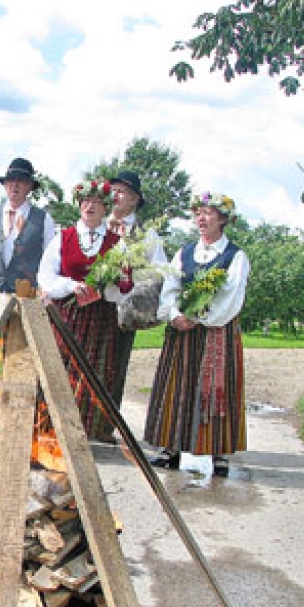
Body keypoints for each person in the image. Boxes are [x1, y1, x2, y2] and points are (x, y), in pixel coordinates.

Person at [144, 192, 250, 477]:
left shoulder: (235, 256)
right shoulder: (185, 252)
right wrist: (175, 313)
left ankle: (218, 452)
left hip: (216, 332)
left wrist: (198, 317)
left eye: (208, 213)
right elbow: (171, 286)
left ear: (223, 219)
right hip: (183, 333)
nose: (201, 219)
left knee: (216, 388)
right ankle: (171, 447)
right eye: (198, 213)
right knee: (178, 385)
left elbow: (231, 297)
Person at [37, 179, 127, 442]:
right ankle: (49, 427)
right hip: (67, 315)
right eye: (86, 201)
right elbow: (45, 276)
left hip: (99, 318)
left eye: (97, 202)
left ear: (105, 208)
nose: (90, 206)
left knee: (92, 373)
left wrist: (103, 288)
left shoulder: (116, 243)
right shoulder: (62, 238)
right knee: (60, 369)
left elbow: (122, 285)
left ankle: (81, 434)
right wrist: (70, 285)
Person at [0, 157, 56, 376]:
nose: (15, 185)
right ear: (5, 185)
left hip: (24, 296)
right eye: (11, 181)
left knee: (19, 358)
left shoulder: (43, 220)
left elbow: (49, 262)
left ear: (29, 188)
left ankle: (12, 408)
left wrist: (45, 292)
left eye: (21, 181)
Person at [103, 170, 169, 437]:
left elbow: (161, 270)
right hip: (91, 305)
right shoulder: (95, 223)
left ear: (134, 200)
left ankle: (106, 425)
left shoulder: (146, 234)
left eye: (121, 191)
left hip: (124, 309)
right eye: (113, 190)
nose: (115, 196)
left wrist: (136, 286)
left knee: (115, 366)